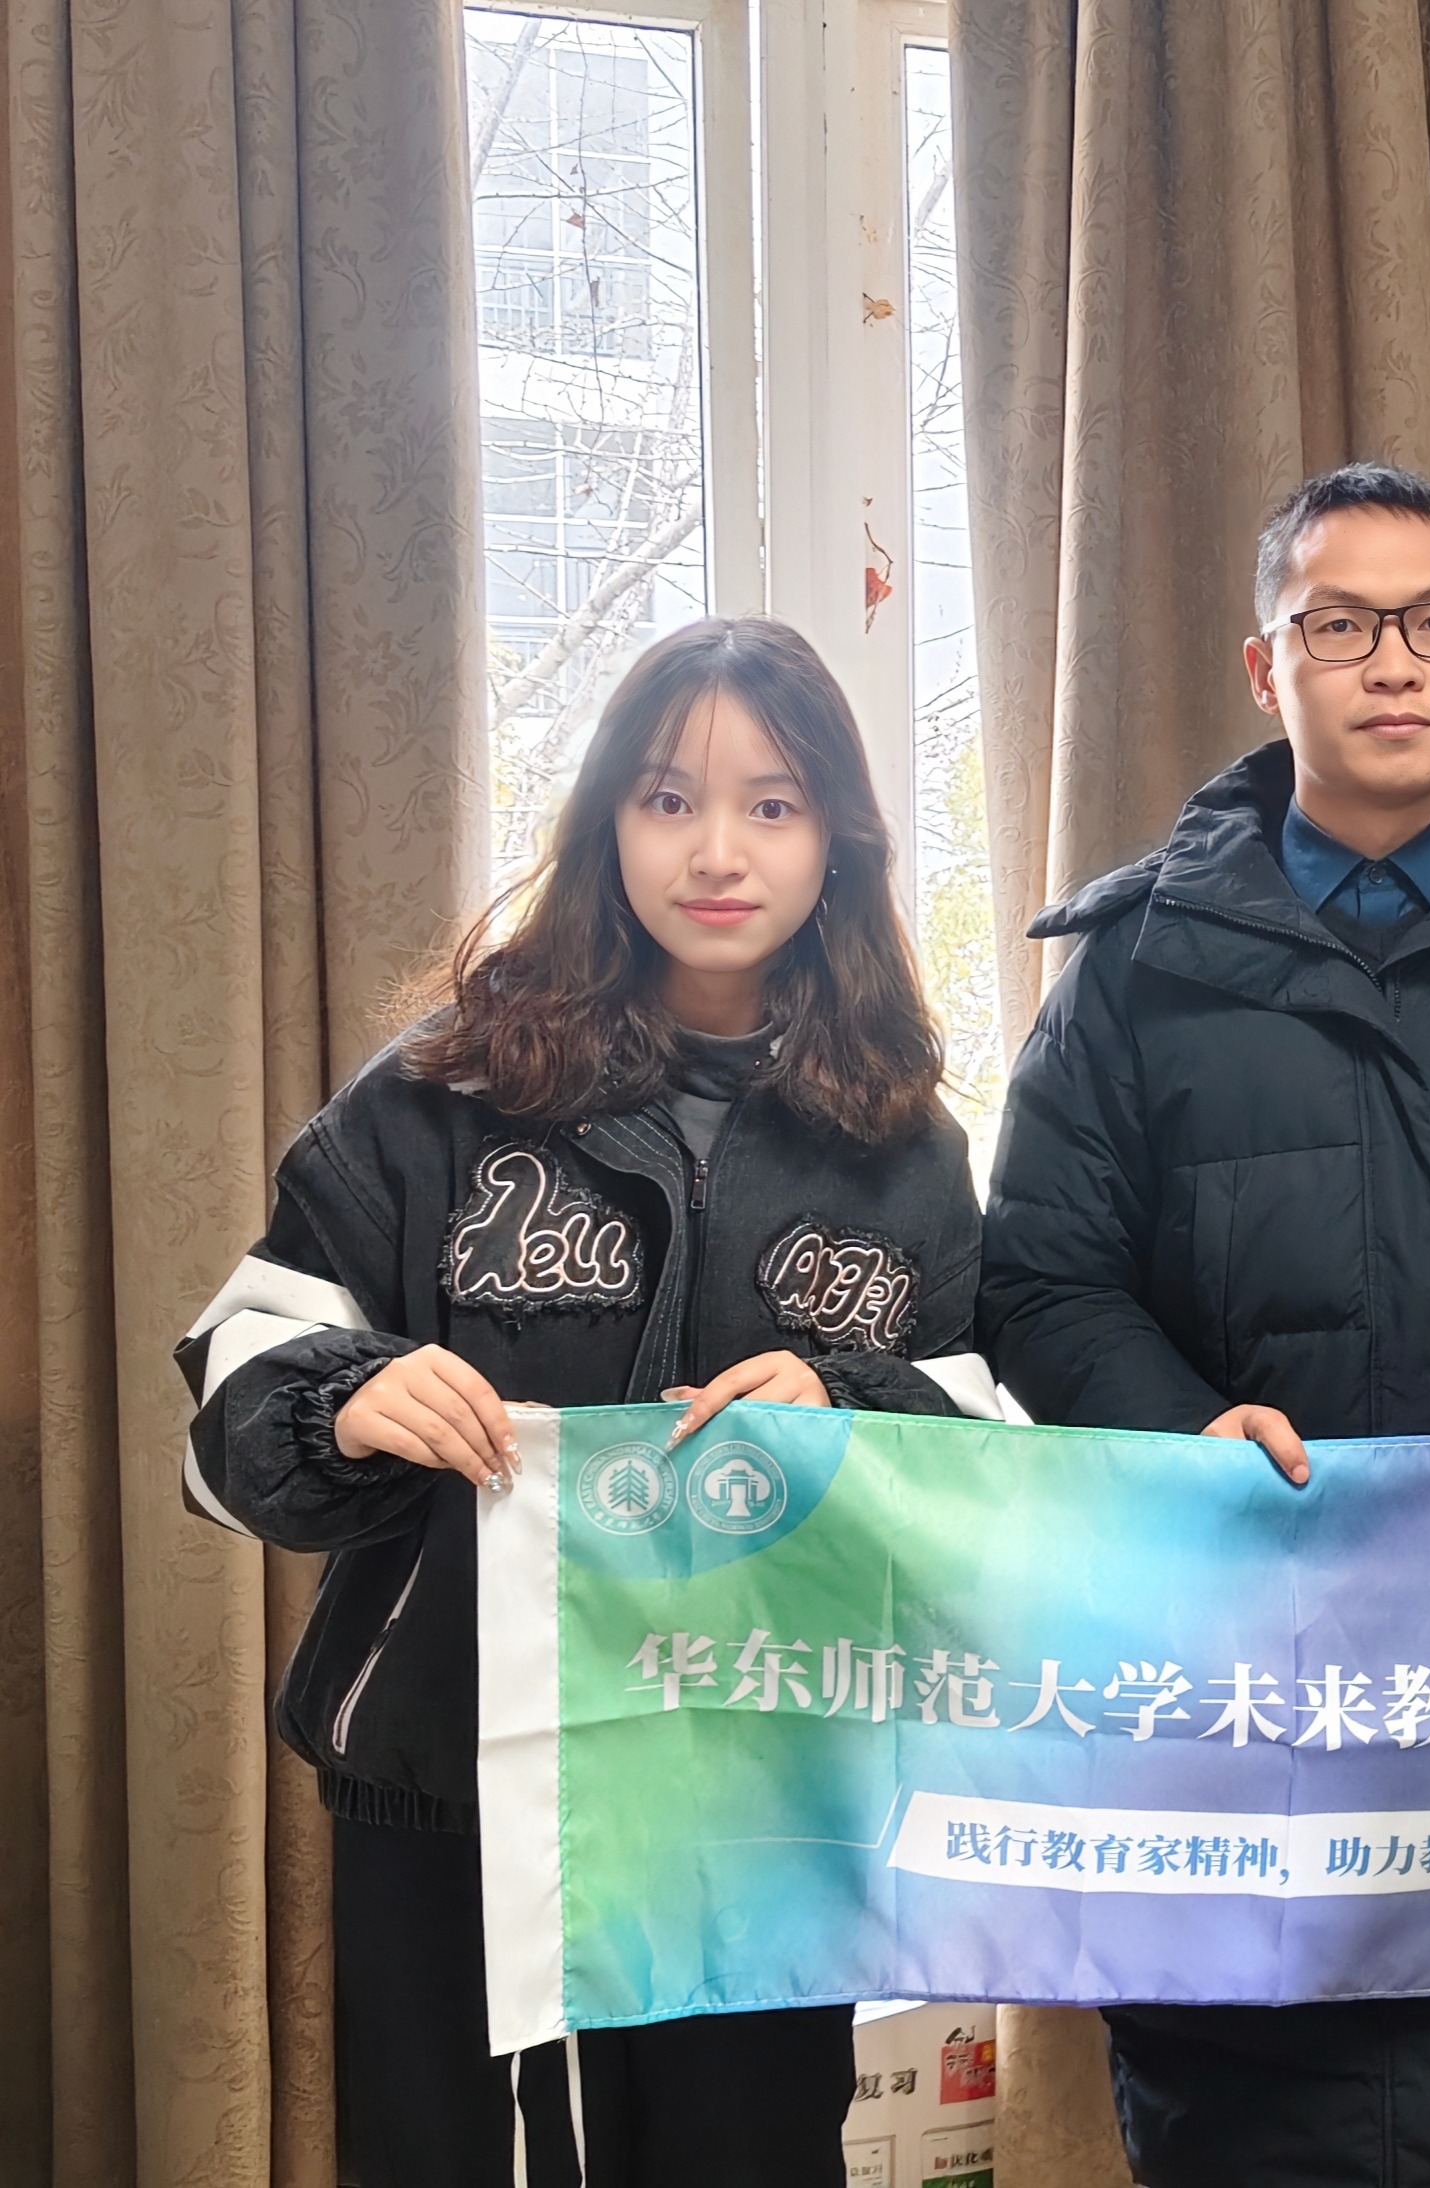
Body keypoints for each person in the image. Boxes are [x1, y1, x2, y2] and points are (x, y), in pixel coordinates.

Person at [173, 619, 992, 2185]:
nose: (717, 850)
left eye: (772, 803)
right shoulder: (442, 1092)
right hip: (456, 1789)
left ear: (838, 835)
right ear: (607, 818)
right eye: (668, 798)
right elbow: (229, 1386)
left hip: (765, 1804)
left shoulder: (907, 1147)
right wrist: (348, 1398)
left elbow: (988, 1439)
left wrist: (852, 1402)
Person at [978, 460, 1430, 2187]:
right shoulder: (1137, 966)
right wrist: (1185, 1433)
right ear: (1268, 665)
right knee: (1259, 2126)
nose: (1393, 661)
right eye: (1341, 624)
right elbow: (1041, 1280)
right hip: (1242, 1674)